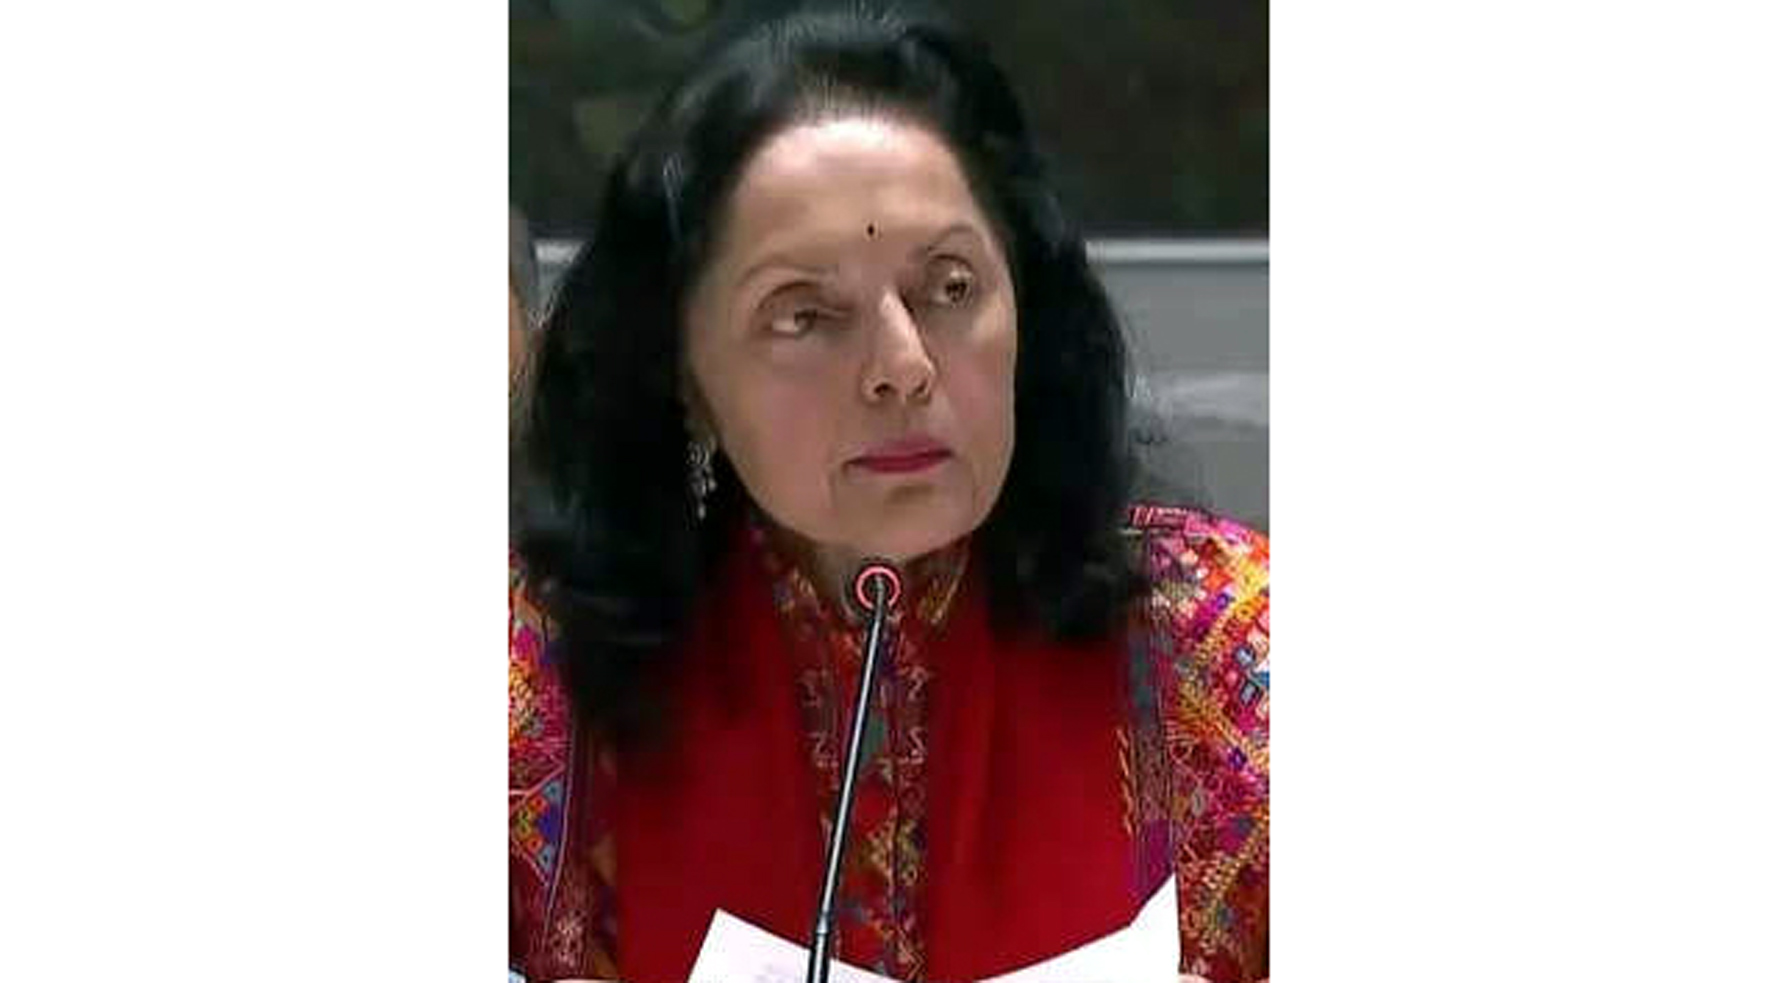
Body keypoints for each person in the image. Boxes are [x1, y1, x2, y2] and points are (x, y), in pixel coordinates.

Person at [508, 5, 1268, 982]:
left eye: (950, 288)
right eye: (804, 314)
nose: (902, 365)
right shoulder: (536, 678)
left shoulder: (1233, 648)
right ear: (682, 374)